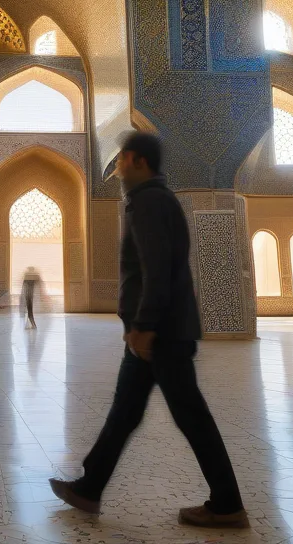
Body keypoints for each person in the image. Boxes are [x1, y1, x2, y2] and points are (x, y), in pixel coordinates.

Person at [49, 132, 248, 529]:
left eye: (122, 159)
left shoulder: (149, 202)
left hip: (161, 333)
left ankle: (227, 503)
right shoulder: (154, 200)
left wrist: (144, 325)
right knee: (125, 410)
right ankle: (90, 487)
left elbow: (157, 270)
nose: (117, 166)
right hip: (159, 329)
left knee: (189, 415)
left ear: (139, 162)